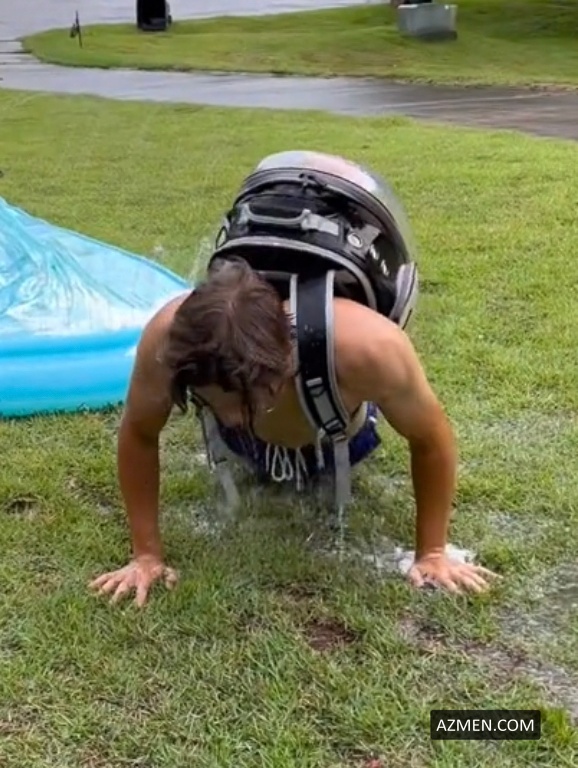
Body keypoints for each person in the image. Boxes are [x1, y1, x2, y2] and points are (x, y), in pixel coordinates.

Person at [90, 150, 497, 607]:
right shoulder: (170, 338)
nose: (230, 416)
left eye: (242, 400)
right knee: (238, 429)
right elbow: (139, 431)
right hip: (257, 435)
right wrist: (146, 554)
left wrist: (433, 552)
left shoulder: (367, 347)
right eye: (213, 400)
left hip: (342, 432)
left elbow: (431, 436)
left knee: (339, 425)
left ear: (283, 359)